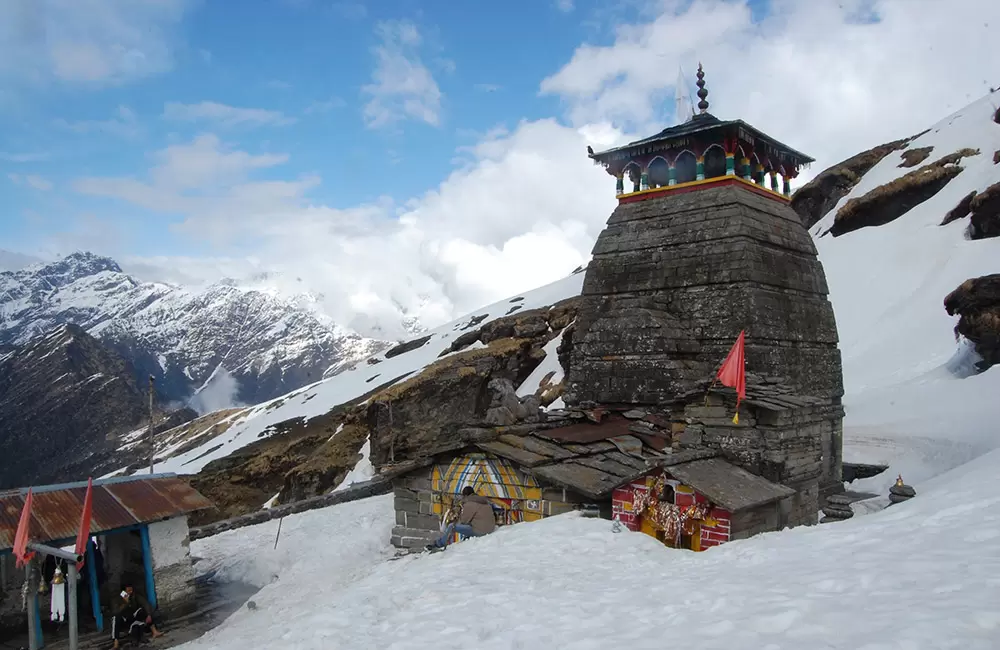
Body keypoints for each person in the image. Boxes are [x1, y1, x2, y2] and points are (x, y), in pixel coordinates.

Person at [427, 486, 497, 550]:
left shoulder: (470, 503)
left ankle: (440, 544)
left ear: (465, 495)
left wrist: (458, 515)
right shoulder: (483, 501)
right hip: (490, 529)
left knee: (451, 527)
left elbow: (464, 521)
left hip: (481, 531)